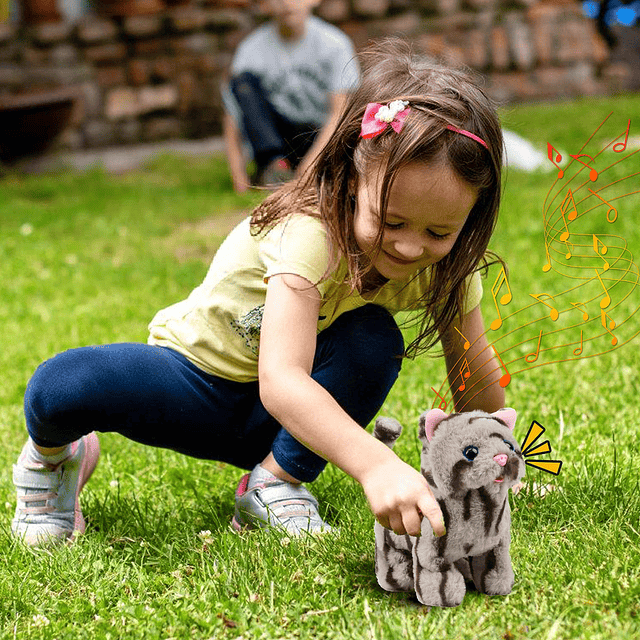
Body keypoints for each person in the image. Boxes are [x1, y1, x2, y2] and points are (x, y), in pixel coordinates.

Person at [12, 39, 508, 547]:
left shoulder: (447, 268)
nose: (409, 245)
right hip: (197, 385)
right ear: (352, 179)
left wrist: (491, 450)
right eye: (391, 220)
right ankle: (55, 459)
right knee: (59, 388)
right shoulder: (310, 235)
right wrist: (378, 464)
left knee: (373, 338)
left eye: (438, 232)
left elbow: (473, 372)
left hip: (290, 422)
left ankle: (275, 481)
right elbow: (280, 380)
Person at [222, 0, 359, 192]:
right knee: (242, 83)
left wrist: (310, 167)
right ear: (265, 4)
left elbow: (340, 113)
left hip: (321, 136)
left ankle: (320, 170)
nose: (286, 3)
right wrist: (239, 180)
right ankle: (276, 168)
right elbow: (232, 118)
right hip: (279, 137)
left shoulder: (335, 45)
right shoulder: (250, 51)